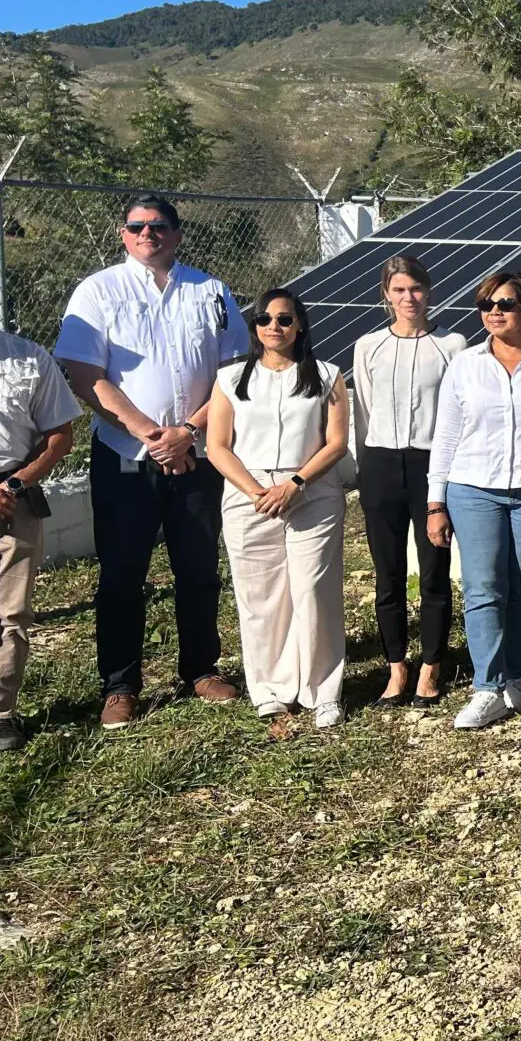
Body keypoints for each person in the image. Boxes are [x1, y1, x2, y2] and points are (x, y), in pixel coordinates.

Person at [55, 196, 250, 729]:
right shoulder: (98, 291)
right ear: (123, 235)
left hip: (199, 453)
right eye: (137, 226)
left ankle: (200, 669)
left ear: (177, 234)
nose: (148, 234)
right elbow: (82, 371)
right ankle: (120, 685)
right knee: (121, 573)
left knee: (198, 568)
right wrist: (147, 431)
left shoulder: (210, 291)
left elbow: (233, 373)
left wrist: (187, 433)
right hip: (124, 455)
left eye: (158, 225)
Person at [426, 273, 521, 732]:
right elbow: (447, 437)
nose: (494, 311)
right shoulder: (464, 365)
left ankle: (517, 677)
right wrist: (437, 504)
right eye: (486, 304)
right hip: (474, 489)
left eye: (506, 304)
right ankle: (486, 687)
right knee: (483, 588)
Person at [205, 290, 352, 726]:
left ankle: (324, 691)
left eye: (284, 319)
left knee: (314, 591)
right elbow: (217, 446)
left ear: (300, 325)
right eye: (265, 319)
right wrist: (255, 491)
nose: (274, 326)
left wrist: (295, 483)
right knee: (260, 597)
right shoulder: (230, 379)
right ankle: (270, 687)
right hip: (248, 497)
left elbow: (337, 442)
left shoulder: (327, 375)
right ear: (254, 327)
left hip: (312, 492)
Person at [352, 255, 467, 708]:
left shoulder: (452, 345)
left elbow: (459, 410)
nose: (408, 298)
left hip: (431, 464)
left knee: (434, 570)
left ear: (429, 290)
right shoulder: (368, 346)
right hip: (380, 464)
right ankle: (396, 665)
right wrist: (363, 469)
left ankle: (432, 665)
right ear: (386, 295)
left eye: (415, 289)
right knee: (388, 574)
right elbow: (362, 410)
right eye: (398, 290)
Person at [0, 272, 81, 752]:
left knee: (13, 608)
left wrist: (13, 483)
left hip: (14, 493)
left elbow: (59, 436)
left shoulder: (28, 357)